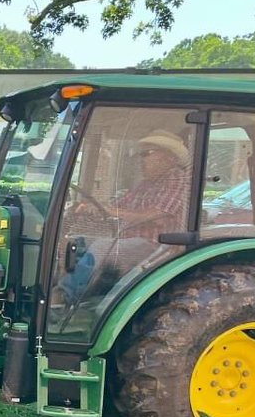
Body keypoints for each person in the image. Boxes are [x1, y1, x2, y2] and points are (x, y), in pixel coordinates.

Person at [56, 129, 192, 306]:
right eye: (140, 155)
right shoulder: (146, 184)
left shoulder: (177, 180)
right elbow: (118, 204)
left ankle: (63, 297)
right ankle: (62, 290)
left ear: (169, 157)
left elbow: (156, 215)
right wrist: (93, 207)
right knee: (75, 243)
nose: (141, 160)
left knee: (102, 248)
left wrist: (112, 211)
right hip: (130, 239)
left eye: (147, 154)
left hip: (158, 245)